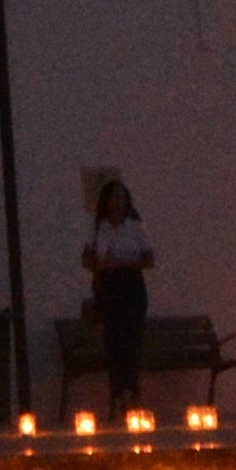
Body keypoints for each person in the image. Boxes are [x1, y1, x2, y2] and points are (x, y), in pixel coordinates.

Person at [79, 170, 155, 405]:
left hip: (131, 286)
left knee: (131, 340)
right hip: (109, 288)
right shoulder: (98, 228)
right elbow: (86, 258)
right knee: (114, 341)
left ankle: (133, 392)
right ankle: (116, 395)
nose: (118, 202)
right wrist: (100, 265)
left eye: (122, 197)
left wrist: (123, 263)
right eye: (113, 197)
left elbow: (149, 259)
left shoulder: (135, 228)